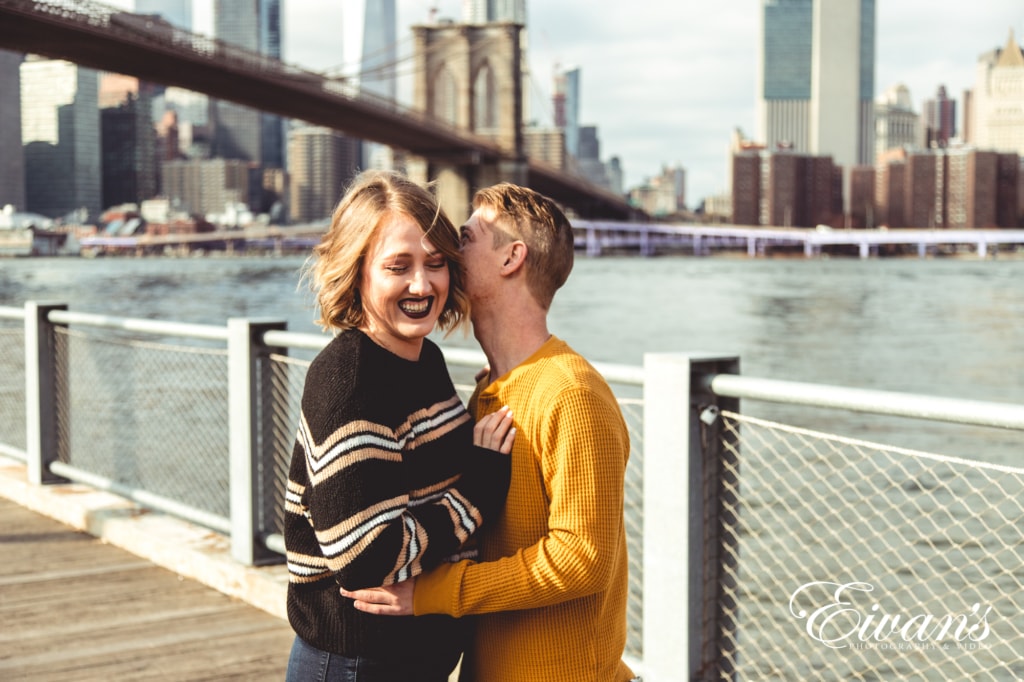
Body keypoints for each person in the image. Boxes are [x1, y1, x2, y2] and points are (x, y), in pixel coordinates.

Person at [343, 182, 637, 682]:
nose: (446, 252)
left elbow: (581, 559)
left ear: (511, 258)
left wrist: (434, 592)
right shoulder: (489, 389)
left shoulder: (571, 393)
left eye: (465, 238)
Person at [284, 170, 515, 682]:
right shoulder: (349, 380)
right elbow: (366, 558)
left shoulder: (423, 359)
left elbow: (428, 469)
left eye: (435, 263)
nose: (422, 285)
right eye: (398, 266)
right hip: (357, 662)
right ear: (357, 271)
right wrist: (480, 490)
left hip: (414, 657)